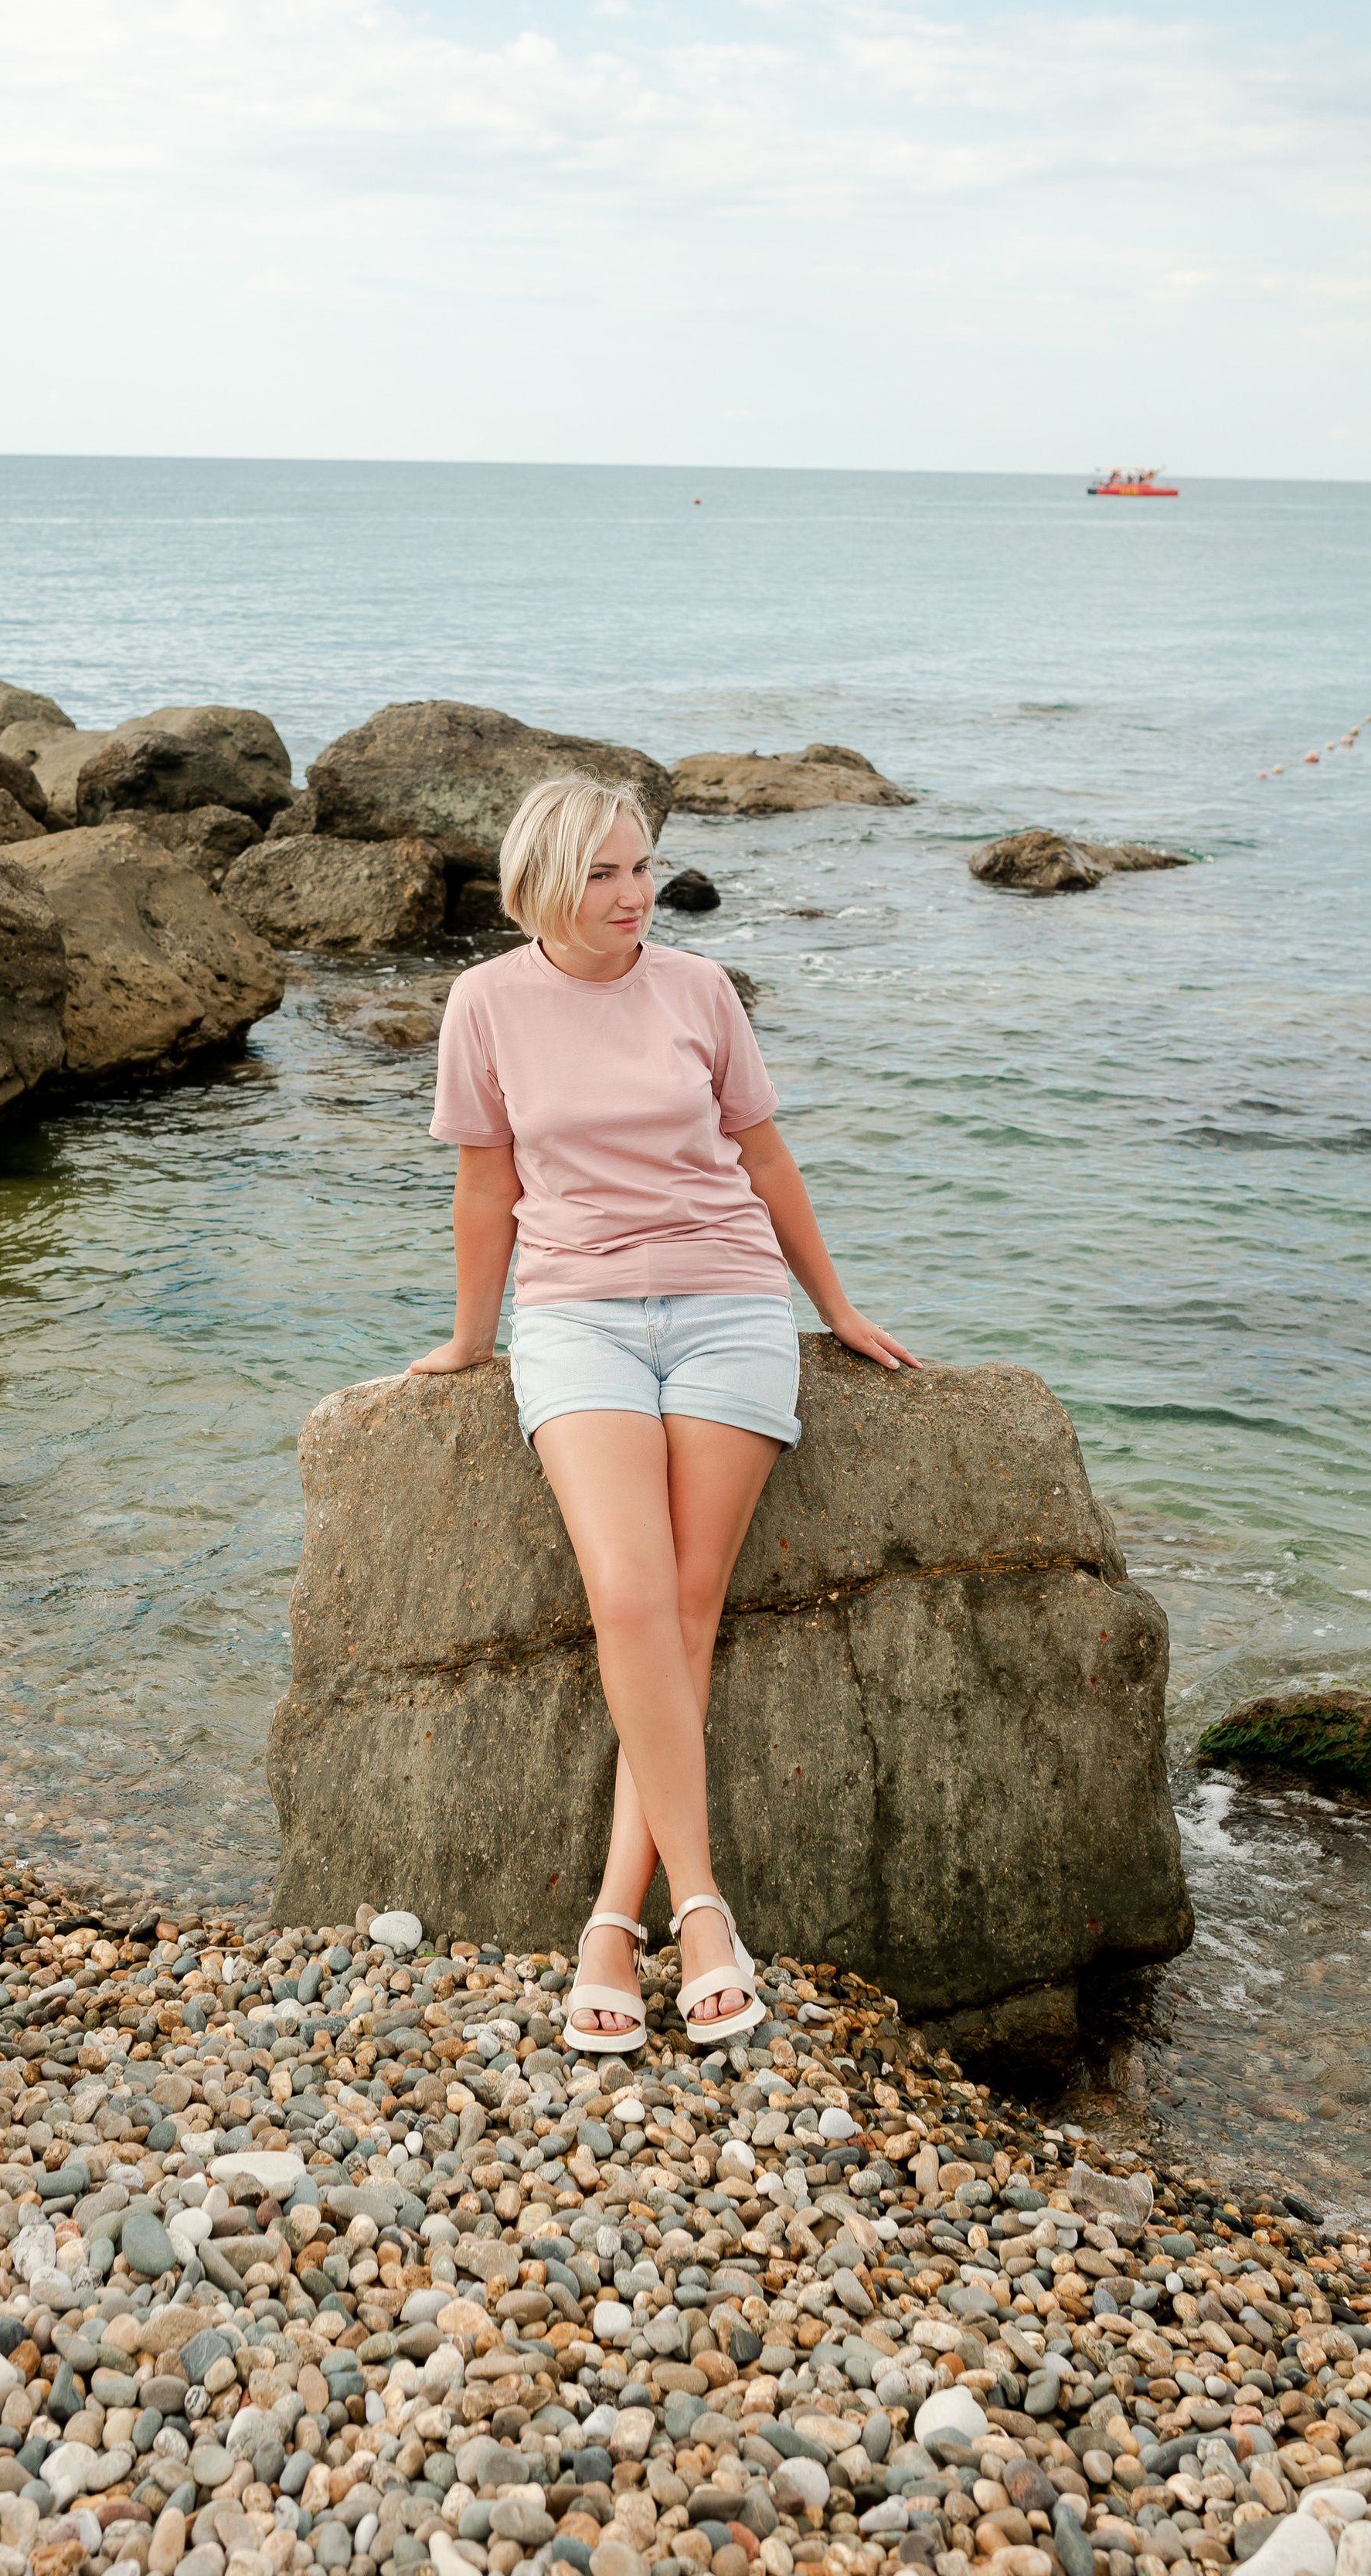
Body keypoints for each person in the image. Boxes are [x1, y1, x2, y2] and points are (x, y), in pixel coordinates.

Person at [410, 773, 917, 2054]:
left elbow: (761, 1158)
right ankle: (691, 1911)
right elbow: (488, 1185)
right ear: (543, 880)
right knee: (631, 1598)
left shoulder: (698, 991)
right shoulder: (485, 1003)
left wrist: (837, 1308)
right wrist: (474, 1338)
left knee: (692, 1602)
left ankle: (631, 1920)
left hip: (731, 1303)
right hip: (576, 1312)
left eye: (642, 868)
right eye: (603, 874)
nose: (634, 895)